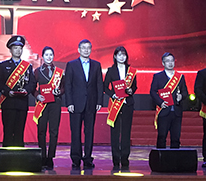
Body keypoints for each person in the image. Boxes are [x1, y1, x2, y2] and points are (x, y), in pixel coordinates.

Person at [65, 39, 103, 169]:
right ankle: (76, 158)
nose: (86, 50)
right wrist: (69, 102)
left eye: (88, 48)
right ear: (79, 50)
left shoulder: (96, 65)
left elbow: (99, 84)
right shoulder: (71, 64)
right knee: (75, 132)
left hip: (91, 104)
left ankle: (87, 158)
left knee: (89, 132)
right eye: (83, 48)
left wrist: (99, 101)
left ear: (91, 49)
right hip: (75, 104)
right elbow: (68, 85)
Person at [0, 35, 36, 147]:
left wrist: (26, 90)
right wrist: (7, 92)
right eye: (15, 48)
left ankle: (19, 155)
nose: (18, 50)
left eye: (20, 48)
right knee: (8, 131)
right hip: (8, 103)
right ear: (10, 50)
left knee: (19, 131)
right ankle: (7, 155)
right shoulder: (3, 65)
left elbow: (32, 83)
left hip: (22, 103)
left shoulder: (27, 66)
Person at [103, 46, 138, 170]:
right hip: (115, 104)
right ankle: (116, 159)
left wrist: (131, 90)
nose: (122, 57)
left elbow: (134, 86)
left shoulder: (131, 71)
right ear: (115, 56)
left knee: (126, 132)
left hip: (128, 103)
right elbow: (105, 87)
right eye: (119, 55)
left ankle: (125, 158)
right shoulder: (111, 70)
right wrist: (113, 95)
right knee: (115, 133)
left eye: (124, 54)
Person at [33, 46, 64, 170]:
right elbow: (32, 87)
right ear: (42, 56)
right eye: (46, 55)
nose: (49, 57)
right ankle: (42, 156)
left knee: (54, 131)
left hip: (55, 103)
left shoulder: (59, 72)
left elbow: (64, 87)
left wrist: (60, 92)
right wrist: (37, 95)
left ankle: (50, 157)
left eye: (51, 55)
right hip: (42, 103)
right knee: (41, 131)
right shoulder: (37, 71)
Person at [150, 52, 188, 149]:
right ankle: (160, 158)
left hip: (176, 111)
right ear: (163, 63)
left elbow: (185, 92)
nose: (170, 63)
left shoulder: (180, 77)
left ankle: (174, 158)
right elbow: (153, 92)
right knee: (162, 137)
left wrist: (181, 96)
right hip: (163, 110)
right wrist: (160, 102)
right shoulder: (157, 76)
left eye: (172, 61)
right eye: (167, 61)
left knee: (176, 138)